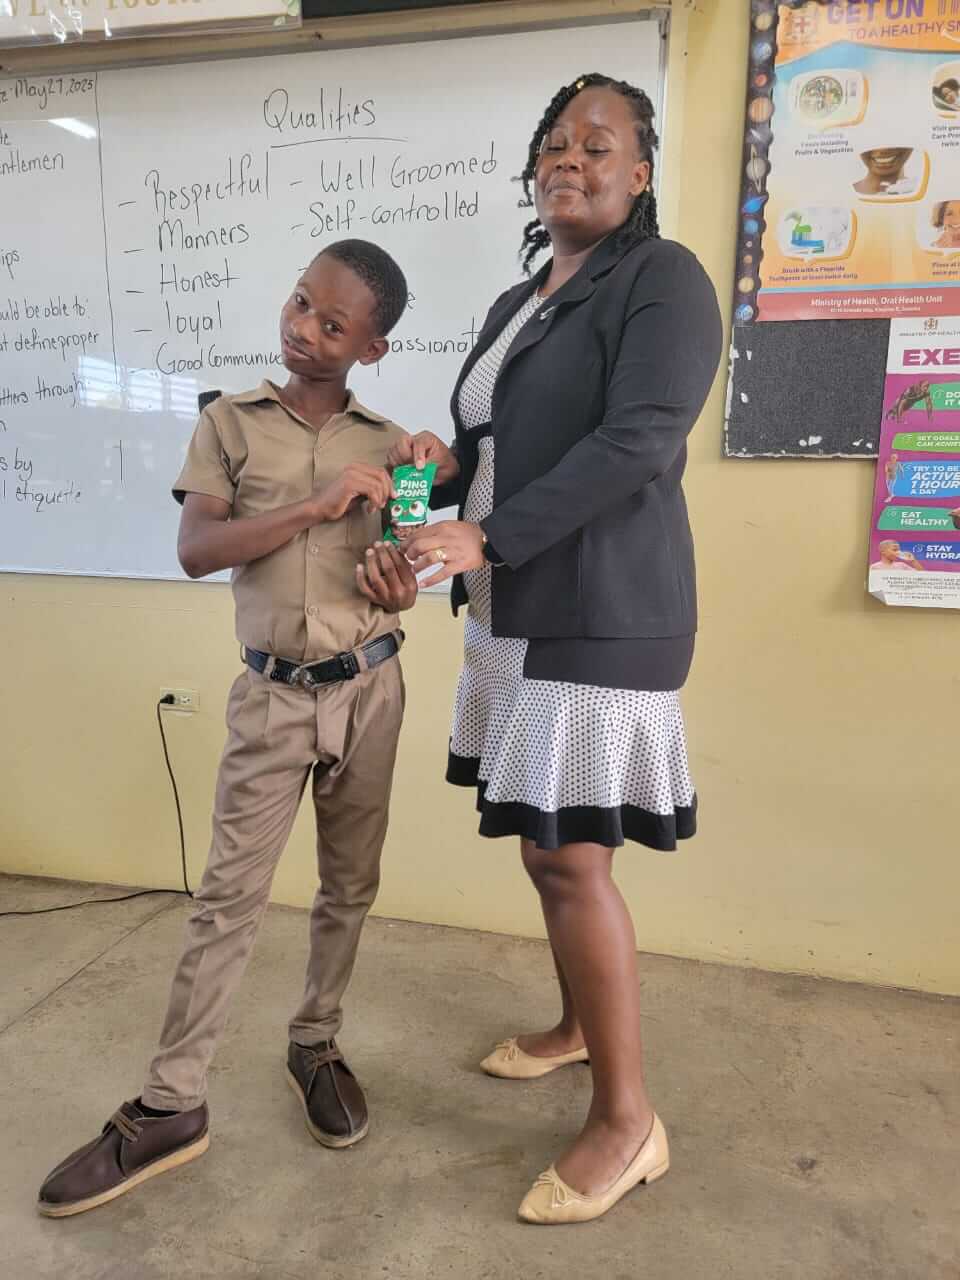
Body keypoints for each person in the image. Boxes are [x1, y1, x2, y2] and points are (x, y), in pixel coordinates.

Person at [390, 73, 722, 1225]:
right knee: (549, 849)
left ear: (639, 171)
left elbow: (639, 440)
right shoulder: (517, 300)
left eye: (598, 143)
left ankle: (629, 1122)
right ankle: (581, 1025)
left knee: (574, 858)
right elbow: (496, 445)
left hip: (601, 605)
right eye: (555, 143)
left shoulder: (662, 279)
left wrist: (486, 531)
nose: (570, 158)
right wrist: (437, 474)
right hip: (510, 604)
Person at [37, 240, 419, 1217]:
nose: (304, 329)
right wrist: (315, 504)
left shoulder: (390, 444)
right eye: (299, 303)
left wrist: (397, 579)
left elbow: (399, 567)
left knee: (350, 883)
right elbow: (198, 548)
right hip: (274, 695)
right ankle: (172, 1103)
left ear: (371, 347)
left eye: (332, 323)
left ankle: (315, 1040)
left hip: (372, 688)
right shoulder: (228, 422)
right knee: (226, 898)